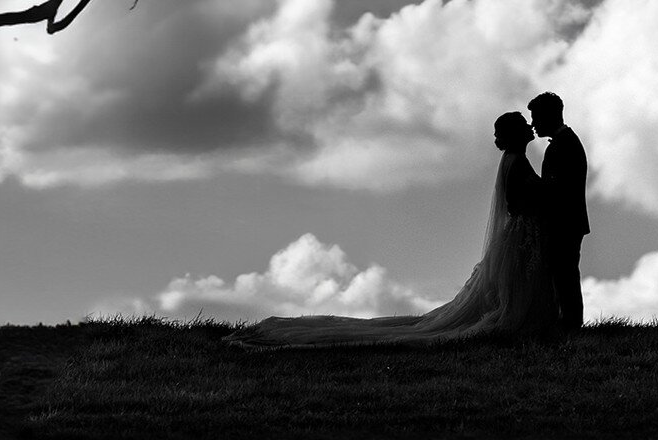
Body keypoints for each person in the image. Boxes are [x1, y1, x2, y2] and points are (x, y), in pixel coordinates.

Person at [231, 112, 559, 348]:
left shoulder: (513, 159)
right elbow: (535, 195)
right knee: (517, 286)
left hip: (519, 232)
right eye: (525, 125)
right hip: (522, 234)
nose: (532, 128)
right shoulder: (516, 160)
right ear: (518, 134)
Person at [528, 91, 589, 333]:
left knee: (565, 273)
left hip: (565, 221)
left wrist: (533, 186)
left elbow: (556, 188)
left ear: (549, 116)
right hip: (568, 220)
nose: (533, 124)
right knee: (564, 272)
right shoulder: (565, 142)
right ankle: (569, 320)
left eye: (536, 118)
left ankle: (571, 322)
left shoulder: (563, 146)